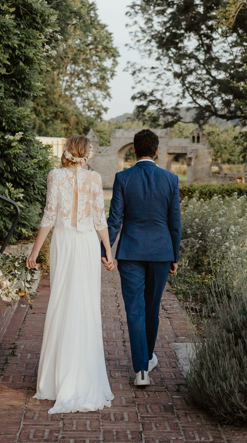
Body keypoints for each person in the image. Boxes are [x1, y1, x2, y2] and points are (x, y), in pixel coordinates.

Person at [26, 136, 116, 413]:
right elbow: (100, 219)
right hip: (87, 243)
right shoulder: (94, 178)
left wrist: (33, 251)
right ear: (87, 155)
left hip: (64, 243)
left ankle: (56, 379)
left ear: (67, 153)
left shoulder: (55, 176)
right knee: (85, 304)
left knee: (62, 301)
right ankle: (82, 375)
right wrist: (109, 252)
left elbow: (49, 216)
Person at [106, 129, 181, 387]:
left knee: (134, 310)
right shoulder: (170, 179)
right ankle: (147, 357)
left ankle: (141, 370)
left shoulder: (123, 178)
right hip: (161, 252)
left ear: (134, 150)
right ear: (157, 151)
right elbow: (175, 223)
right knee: (152, 308)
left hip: (130, 253)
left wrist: (104, 251)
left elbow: (114, 219)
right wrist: (175, 255)